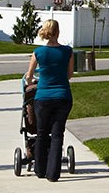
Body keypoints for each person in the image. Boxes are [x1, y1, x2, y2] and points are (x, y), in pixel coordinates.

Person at [23, 20, 73, 182]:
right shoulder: (67, 51)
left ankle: (40, 170)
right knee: (58, 134)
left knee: (42, 133)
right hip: (63, 96)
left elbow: (29, 75)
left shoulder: (38, 52)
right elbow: (69, 74)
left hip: (43, 98)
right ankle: (53, 174)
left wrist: (31, 83)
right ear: (58, 32)